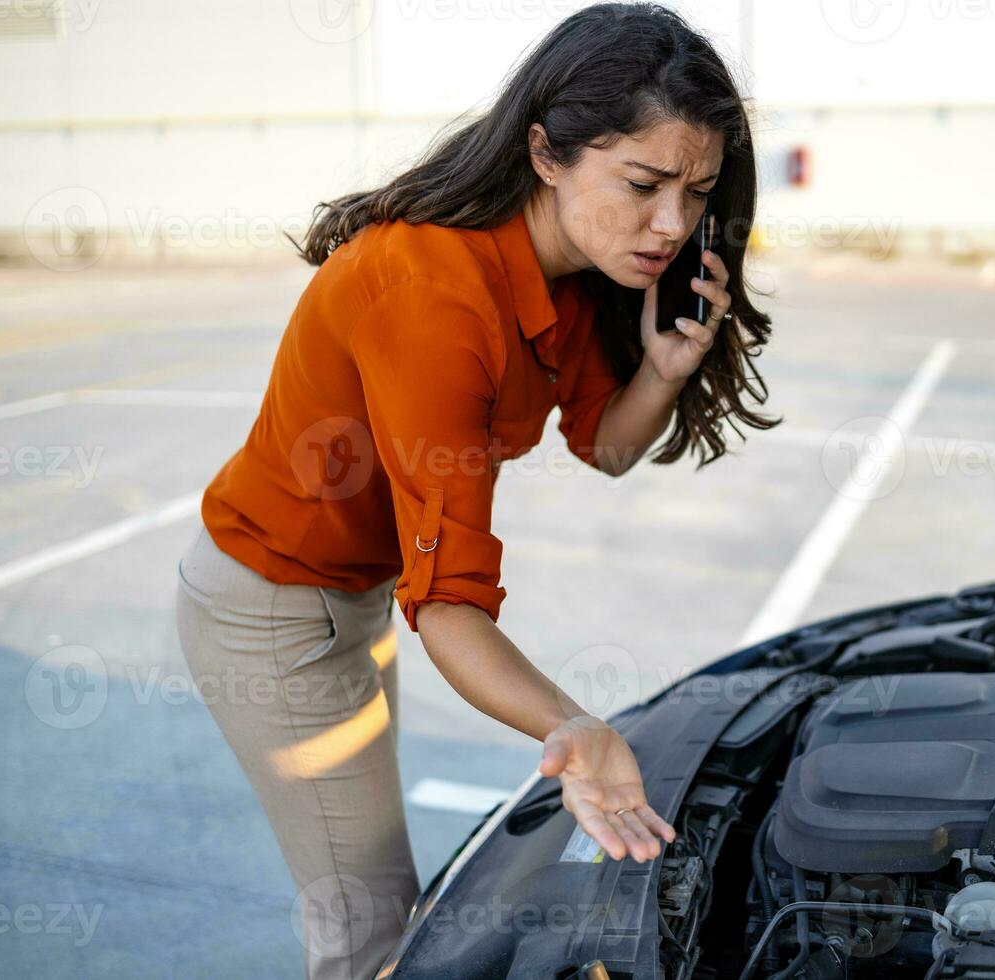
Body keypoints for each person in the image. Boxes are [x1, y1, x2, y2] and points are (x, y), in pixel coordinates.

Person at [173, 3, 777, 977]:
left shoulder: (569, 272)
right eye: (643, 183)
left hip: (348, 595)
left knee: (373, 901)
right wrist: (572, 724)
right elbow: (449, 605)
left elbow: (605, 449)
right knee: (369, 928)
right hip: (272, 606)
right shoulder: (432, 295)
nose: (673, 223)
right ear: (546, 152)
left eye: (695, 190)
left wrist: (664, 369)